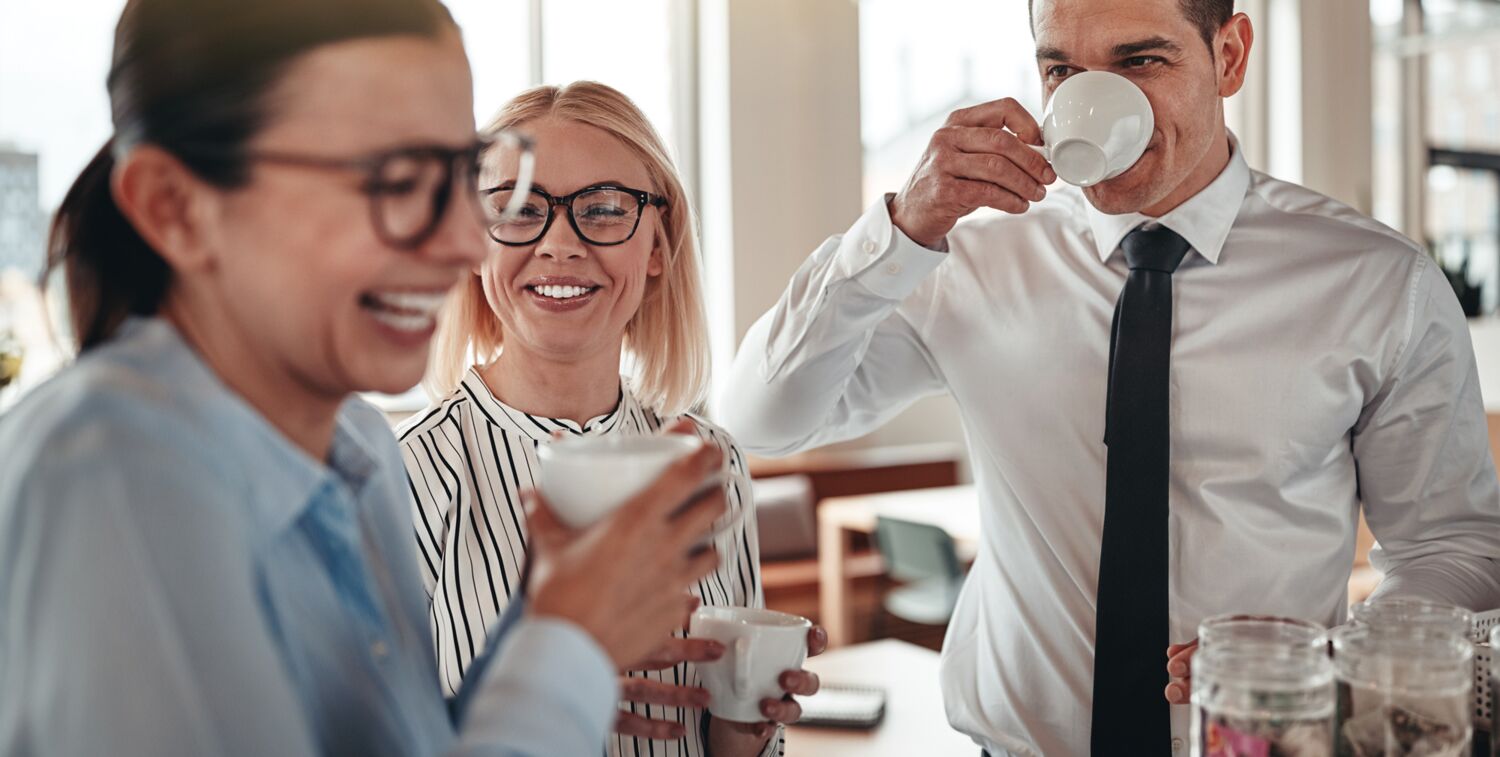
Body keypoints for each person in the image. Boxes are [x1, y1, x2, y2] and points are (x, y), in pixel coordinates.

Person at [718, 0, 1500, 754]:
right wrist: (895, 228)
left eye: (1141, 60)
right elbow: (761, 417)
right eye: (1061, 70)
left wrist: (1335, 659)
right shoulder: (968, 260)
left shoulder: (1375, 280)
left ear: (1228, 57)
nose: (1092, 99)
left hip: (1259, 746)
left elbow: (1453, 545)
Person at [0, 2, 727, 755]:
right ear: (175, 207)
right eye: (392, 180)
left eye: (456, 174)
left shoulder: (360, 446)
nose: (463, 241)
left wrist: (539, 625)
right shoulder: (105, 479)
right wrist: (566, 648)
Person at [400, 81, 823, 757]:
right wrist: (546, 699)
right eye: (517, 209)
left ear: (657, 247)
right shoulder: (404, 477)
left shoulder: (712, 460)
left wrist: (744, 724)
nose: (560, 244)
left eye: (601, 209)